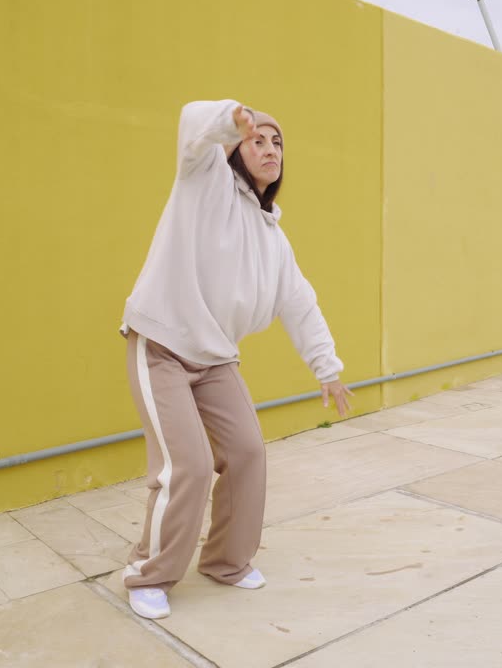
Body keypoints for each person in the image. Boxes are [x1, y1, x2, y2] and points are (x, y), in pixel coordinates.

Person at [117, 99, 353, 619]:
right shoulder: (205, 183)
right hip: (160, 345)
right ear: (234, 151)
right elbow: (191, 126)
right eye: (257, 139)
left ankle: (225, 561)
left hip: (216, 358)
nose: (269, 148)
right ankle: (148, 573)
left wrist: (327, 368)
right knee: (190, 467)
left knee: (247, 453)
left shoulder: (275, 237)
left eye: (277, 142)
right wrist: (230, 118)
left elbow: (300, 302)